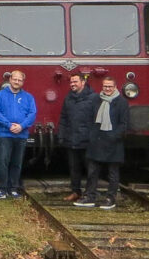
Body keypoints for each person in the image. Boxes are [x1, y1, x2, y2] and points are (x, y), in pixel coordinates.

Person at [74, 76, 128, 210]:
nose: (107, 89)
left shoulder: (122, 102)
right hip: (96, 140)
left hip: (113, 142)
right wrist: (92, 135)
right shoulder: (96, 100)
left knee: (112, 172)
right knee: (92, 171)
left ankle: (110, 198)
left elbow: (124, 124)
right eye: (105, 86)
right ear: (102, 87)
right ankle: (89, 197)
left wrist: (113, 136)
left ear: (115, 87)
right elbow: (89, 118)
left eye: (110, 86)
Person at [0, 70, 37, 199]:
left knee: (17, 162)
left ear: (23, 82)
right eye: (15, 79)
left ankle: (13, 188)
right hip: (5, 133)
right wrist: (9, 125)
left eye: (20, 80)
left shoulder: (28, 97)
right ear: (10, 80)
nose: (17, 82)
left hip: (21, 135)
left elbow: (32, 114)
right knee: (3, 161)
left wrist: (21, 126)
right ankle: (1, 189)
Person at [58, 73, 99, 202]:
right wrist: (61, 135)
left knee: (91, 169)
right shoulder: (68, 98)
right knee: (74, 167)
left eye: (75, 82)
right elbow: (64, 118)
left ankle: (90, 193)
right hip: (72, 138)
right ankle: (75, 191)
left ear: (83, 82)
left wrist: (95, 137)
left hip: (88, 140)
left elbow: (98, 119)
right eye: (71, 82)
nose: (72, 84)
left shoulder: (94, 98)